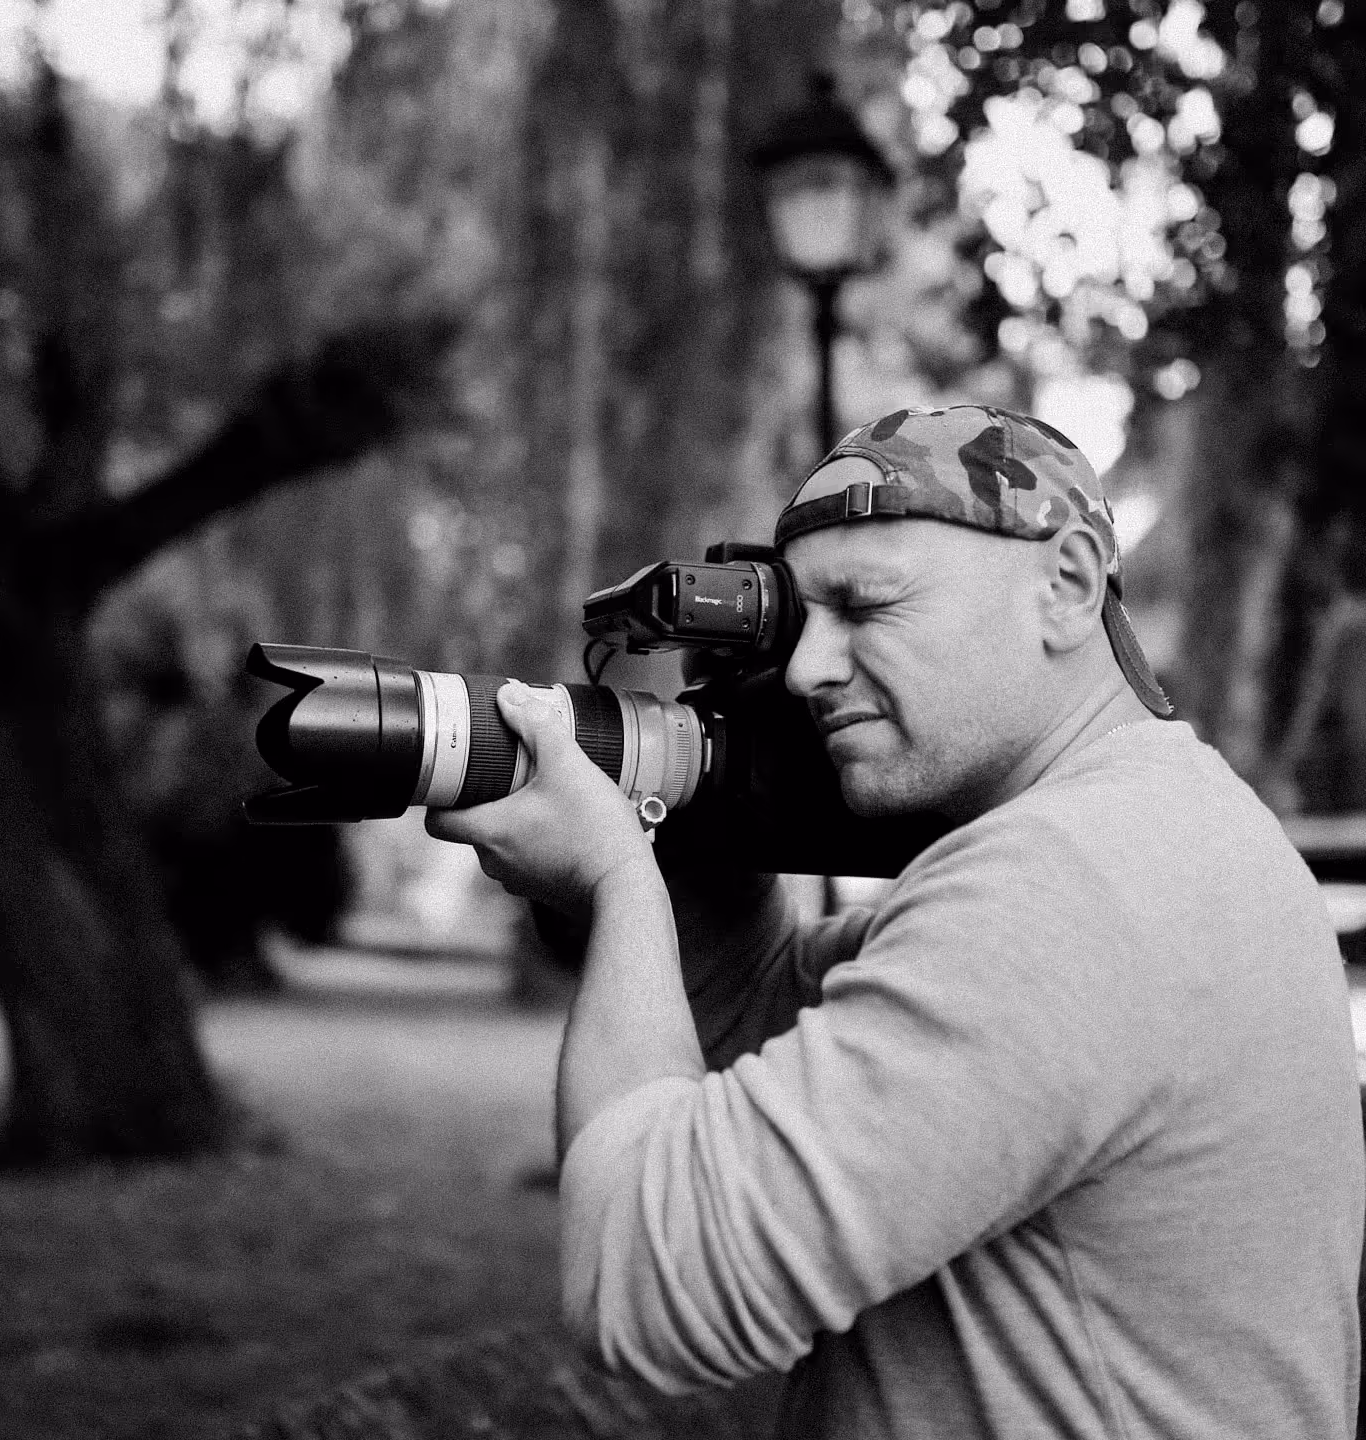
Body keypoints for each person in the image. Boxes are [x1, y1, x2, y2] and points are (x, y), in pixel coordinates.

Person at [427, 405, 1365, 1439]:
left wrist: (616, 878)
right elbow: (762, 1048)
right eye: (800, 621)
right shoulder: (1169, 831)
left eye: (864, 607)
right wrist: (693, 834)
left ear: (1066, 584)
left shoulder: (1067, 882)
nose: (804, 670)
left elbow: (649, 1280)